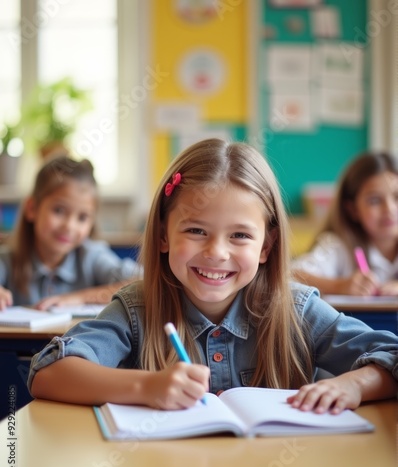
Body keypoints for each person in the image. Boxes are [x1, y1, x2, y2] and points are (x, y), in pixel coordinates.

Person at [28, 139, 397, 414]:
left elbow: (391, 354)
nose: (217, 252)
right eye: (196, 231)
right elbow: (49, 371)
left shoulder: (296, 310)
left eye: (239, 235)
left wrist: (355, 384)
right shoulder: (137, 309)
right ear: (162, 236)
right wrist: (146, 386)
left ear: (266, 247)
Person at [0, 156, 142, 310]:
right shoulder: (7, 261)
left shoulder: (91, 257)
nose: (69, 226)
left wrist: (79, 298)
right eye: (59, 210)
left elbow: (144, 282)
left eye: (82, 217)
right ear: (32, 208)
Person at [292, 152, 398, 296]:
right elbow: (290, 275)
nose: (390, 209)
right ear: (353, 210)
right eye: (374, 200)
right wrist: (339, 286)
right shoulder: (337, 246)